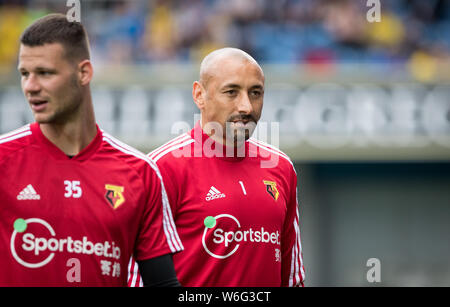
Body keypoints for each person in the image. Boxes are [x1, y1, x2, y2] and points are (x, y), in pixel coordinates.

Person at [0, 13, 183, 286]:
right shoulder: (4, 160)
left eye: (45, 73)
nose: (30, 86)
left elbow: (162, 284)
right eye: (25, 74)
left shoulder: (140, 173)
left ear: (84, 72)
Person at [129, 48, 305, 286]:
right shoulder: (160, 169)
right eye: (231, 92)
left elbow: (292, 278)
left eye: (256, 93)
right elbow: (135, 278)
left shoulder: (281, 168)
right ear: (199, 94)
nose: (246, 107)